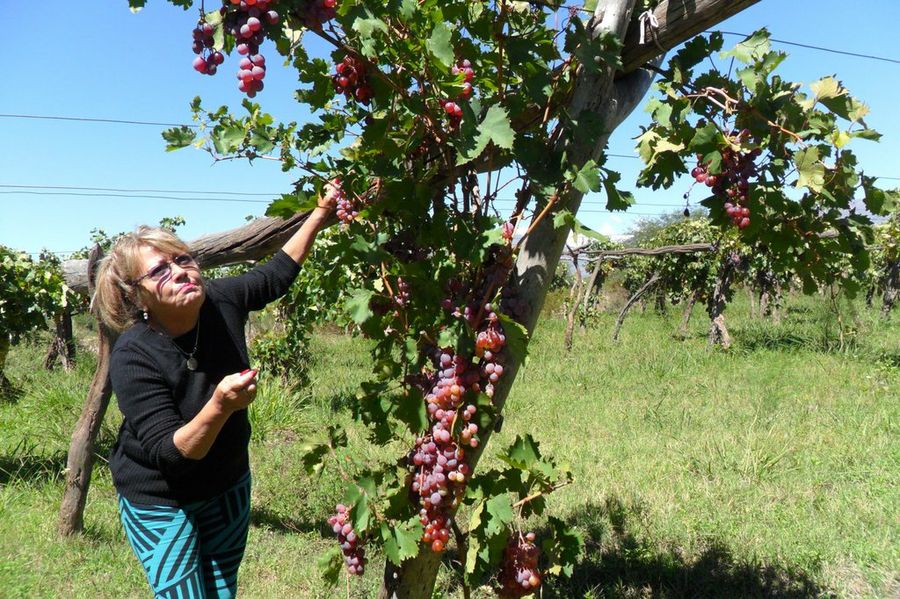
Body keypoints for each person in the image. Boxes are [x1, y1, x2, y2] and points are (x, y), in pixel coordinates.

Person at [92, 189, 336, 598]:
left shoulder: (220, 301)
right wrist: (220, 406)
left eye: (183, 259)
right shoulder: (134, 355)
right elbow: (172, 454)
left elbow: (275, 274)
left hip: (227, 482)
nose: (180, 272)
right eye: (160, 270)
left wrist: (320, 213)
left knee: (222, 592)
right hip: (161, 499)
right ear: (137, 294)